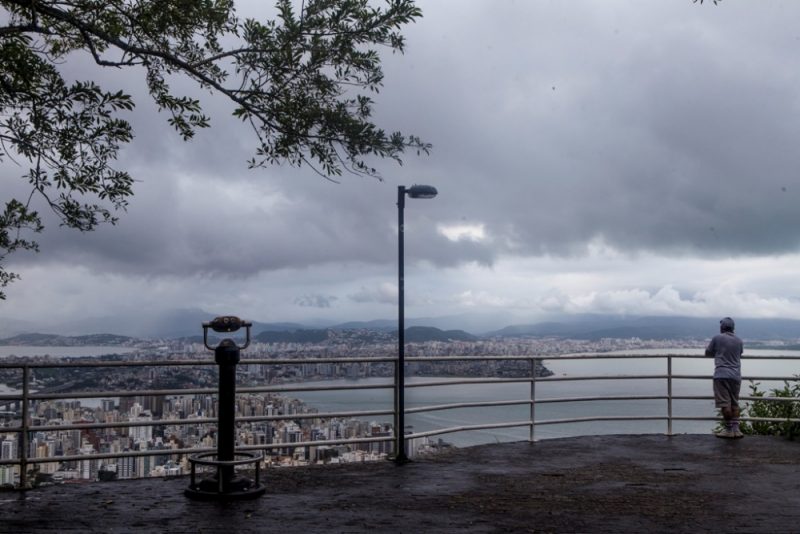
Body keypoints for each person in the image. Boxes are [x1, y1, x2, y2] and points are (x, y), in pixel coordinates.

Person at [705, 317, 744, 439]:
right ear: (733, 328)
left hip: (721, 374)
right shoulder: (739, 340)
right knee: (735, 403)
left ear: (722, 327)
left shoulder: (717, 338)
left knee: (725, 404)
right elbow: (740, 353)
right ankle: (736, 430)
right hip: (736, 375)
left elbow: (708, 353)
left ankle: (728, 429)